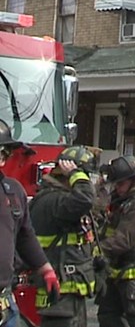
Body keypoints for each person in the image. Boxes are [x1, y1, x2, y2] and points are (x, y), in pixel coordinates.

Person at [29, 145, 100, 327]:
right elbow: (85, 198)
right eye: (84, 176)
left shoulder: (57, 199)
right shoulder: (54, 201)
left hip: (68, 293)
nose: (87, 182)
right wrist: (77, 175)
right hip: (61, 295)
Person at [0, 121, 59, 327]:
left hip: (4, 304)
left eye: (3, 153)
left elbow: (26, 236)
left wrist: (46, 270)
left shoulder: (13, 191)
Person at [96, 155, 135, 327]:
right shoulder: (122, 201)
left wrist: (94, 251)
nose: (117, 188)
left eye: (121, 184)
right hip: (116, 272)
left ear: (134, 181)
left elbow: (123, 240)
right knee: (108, 318)